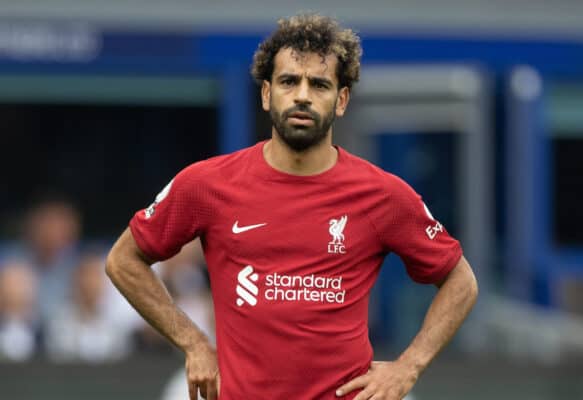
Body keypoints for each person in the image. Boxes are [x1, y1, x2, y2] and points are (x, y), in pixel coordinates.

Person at [106, 13, 478, 400]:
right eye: (289, 81)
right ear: (267, 94)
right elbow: (123, 261)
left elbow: (461, 282)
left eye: (319, 84)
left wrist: (408, 367)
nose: (302, 95)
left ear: (342, 100)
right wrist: (194, 342)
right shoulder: (206, 184)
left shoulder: (383, 195)